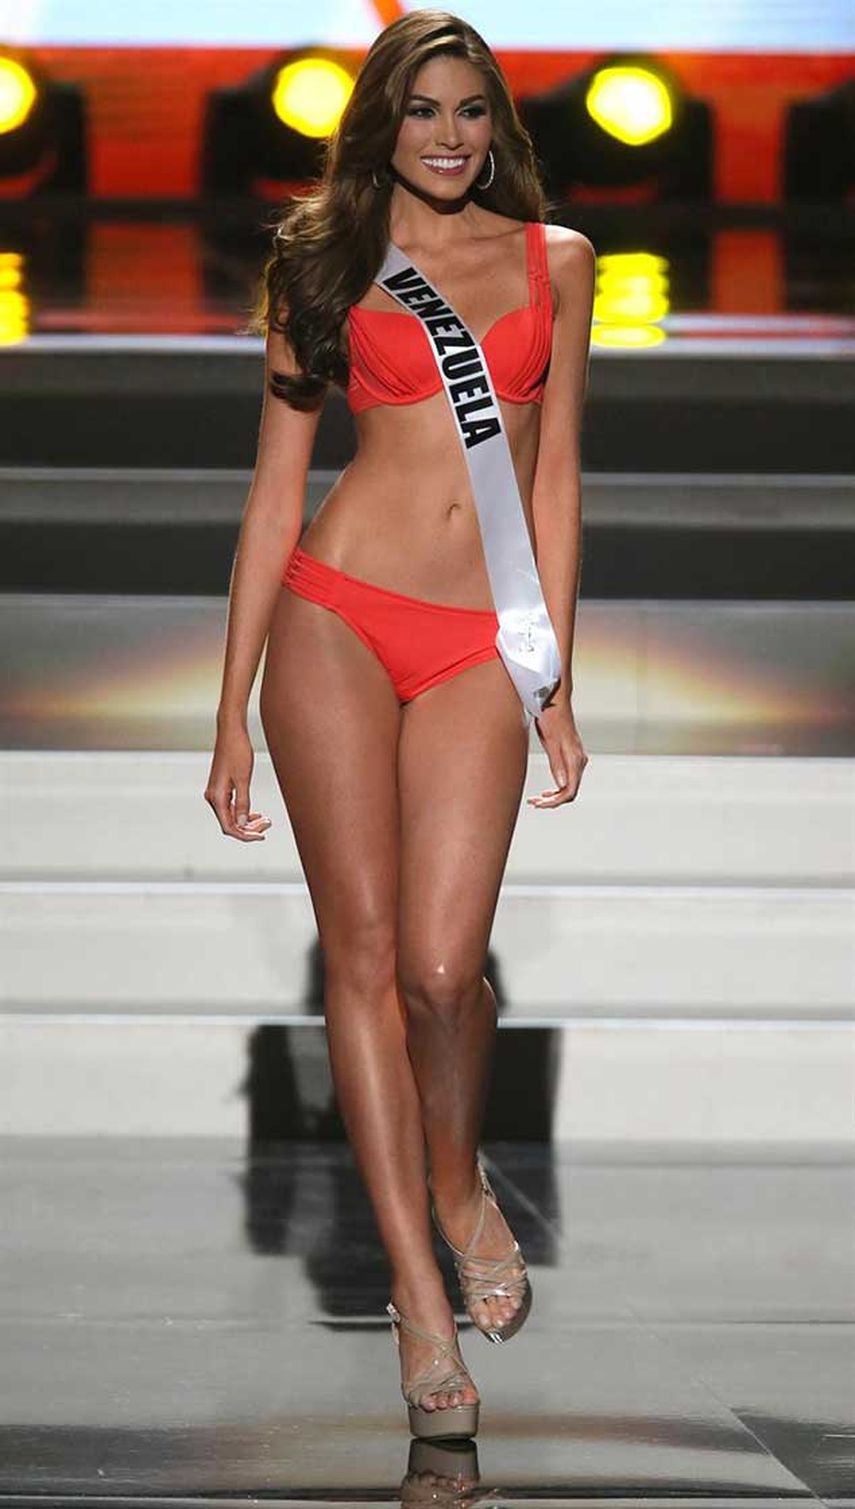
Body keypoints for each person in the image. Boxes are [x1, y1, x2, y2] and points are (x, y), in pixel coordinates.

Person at [204, 9, 594, 1442]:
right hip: (334, 618)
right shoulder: (323, 262)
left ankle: (454, 1173)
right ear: (385, 117)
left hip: (481, 635)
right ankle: (419, 1304)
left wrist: (555, 675)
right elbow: (272, 489)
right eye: (424, 111)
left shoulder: (558, 263)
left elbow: (553, 485)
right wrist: (231, 707)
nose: (449, 136)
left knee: (444, 969)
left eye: (472, 112)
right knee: (363, 963)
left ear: (499, 122)